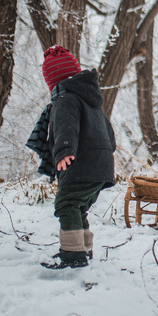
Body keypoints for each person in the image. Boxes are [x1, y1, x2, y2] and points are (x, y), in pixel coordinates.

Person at [26, 46, 117, 269]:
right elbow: (110, 136)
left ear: (52, 80)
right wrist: (104, 155)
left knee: (66, 203)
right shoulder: (92, 102)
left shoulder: (65, 99)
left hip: (81, 165)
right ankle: (84, 249)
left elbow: (66, 129)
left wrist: (64, 151)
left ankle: (72, 255)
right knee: (78, 207)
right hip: (100, 166)